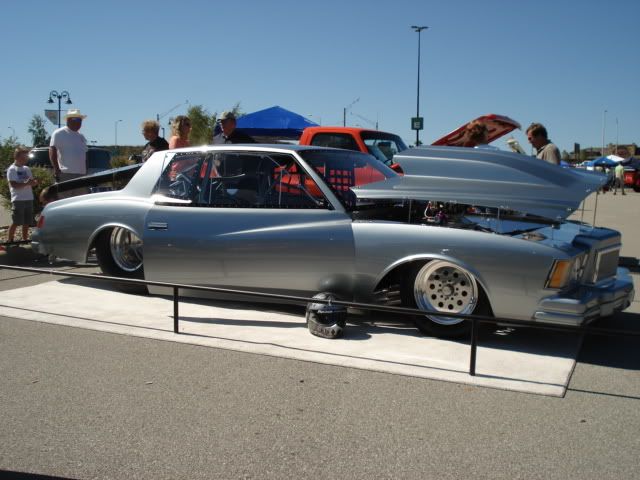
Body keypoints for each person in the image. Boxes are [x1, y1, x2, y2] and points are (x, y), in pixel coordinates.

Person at [6, 147, 37, 242]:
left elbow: (31, 182)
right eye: (23, 157)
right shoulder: (12, 169)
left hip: (29, 198)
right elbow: (14, 185)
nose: (25, 159)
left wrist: (34, 183)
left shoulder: (27, 169)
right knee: (16, 221)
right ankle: (10, 240)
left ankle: (25, 239)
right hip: (18, 199)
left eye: (26, 157)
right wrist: (27, 183)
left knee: (27, 221)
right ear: (16, 157)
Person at [49, 109, 88, 181]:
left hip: (81, 174)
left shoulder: (81, 136)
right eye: (76, 119)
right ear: (68, 120)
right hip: (65, 173)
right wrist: (56, 169)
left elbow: (84, 156)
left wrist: (86, 171)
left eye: (80, 120)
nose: (79, 122)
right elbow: (52, 151)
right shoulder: (59, 133)